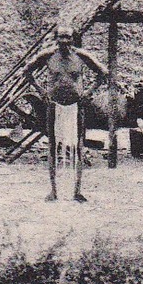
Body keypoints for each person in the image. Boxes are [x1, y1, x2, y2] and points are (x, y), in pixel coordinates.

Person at [23, 24, 110, 202]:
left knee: (78, 146)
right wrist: (41, 91)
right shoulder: (47, 56)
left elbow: (103, 72)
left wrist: (89, 92)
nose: (64, 41)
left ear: (73, 39)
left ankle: (77, 191)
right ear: (56, 39)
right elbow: (27, 71)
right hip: (54, 105)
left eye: (67, 37)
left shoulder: (81, 56)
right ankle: (53, 191)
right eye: (61, 37)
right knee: (53, 146)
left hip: (76, 105)